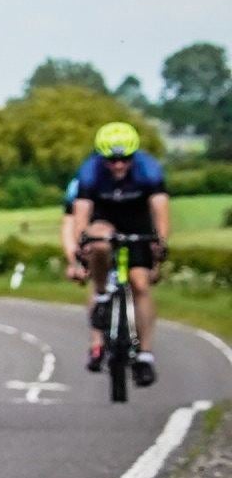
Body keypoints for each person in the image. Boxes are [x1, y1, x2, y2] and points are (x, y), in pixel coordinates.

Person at [66, 119, 170, 385]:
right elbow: (81, 213)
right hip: (105, 218)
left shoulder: (149, 170)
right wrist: (81, 245)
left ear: (134, 156)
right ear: (102, 158)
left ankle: (145, 355)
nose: (118, 165)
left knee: (140, 284)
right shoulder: (90, 172)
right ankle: (102, 294)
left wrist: (160, 242)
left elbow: (159, 209)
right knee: (99, 241)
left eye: (125, 159)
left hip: (137, 219)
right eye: (111, 161)